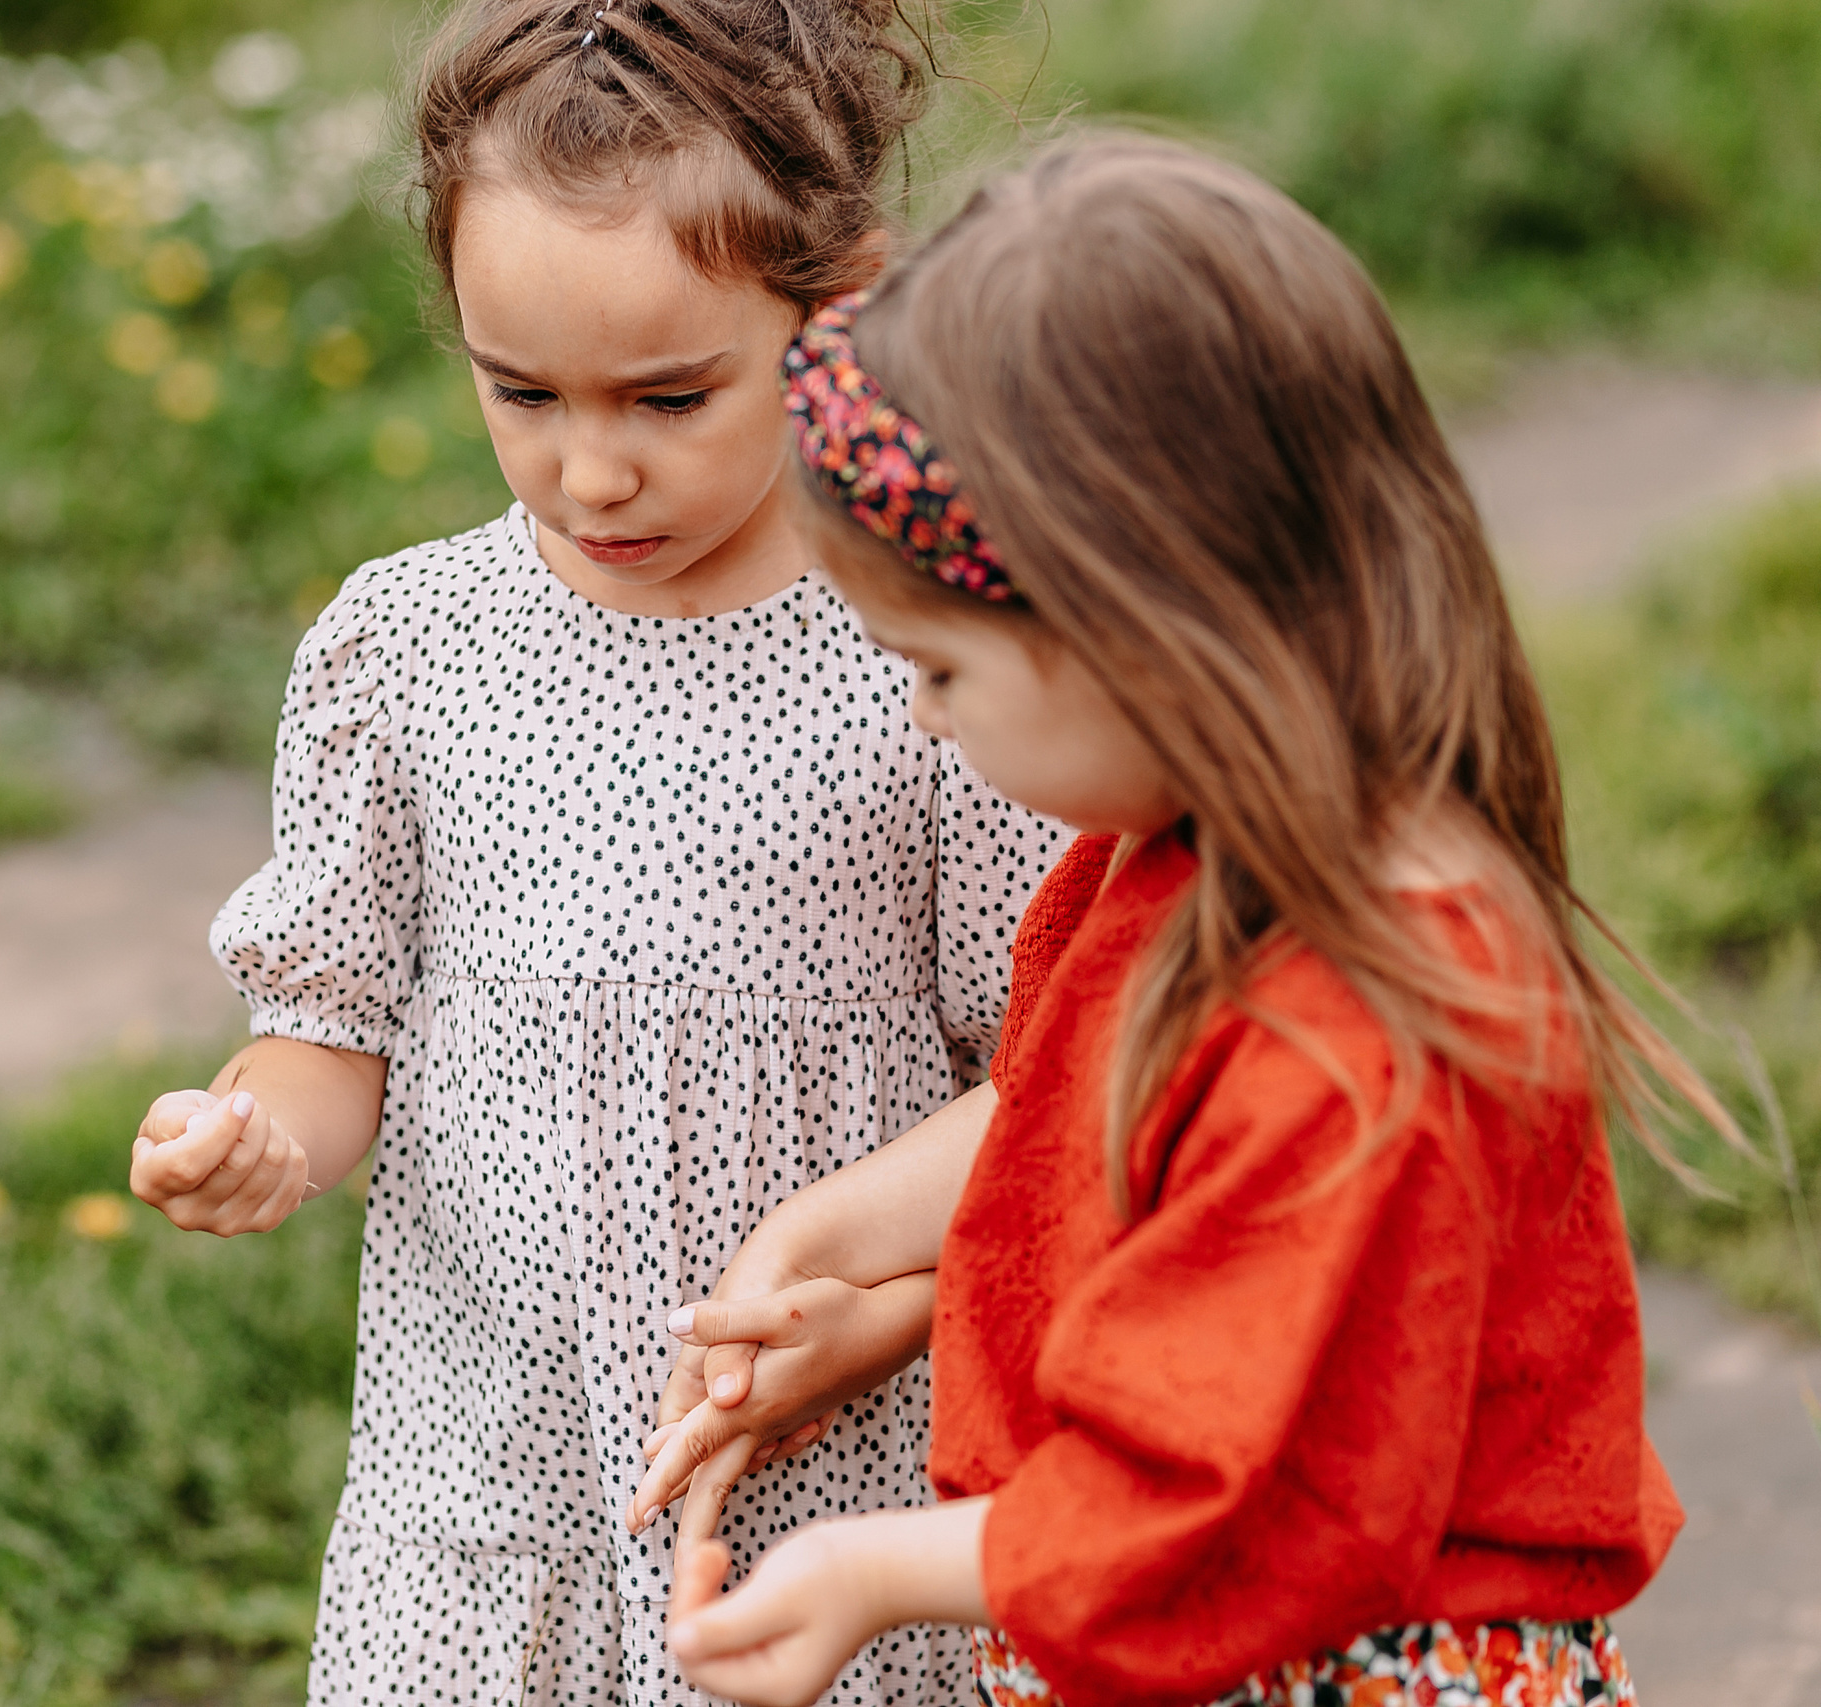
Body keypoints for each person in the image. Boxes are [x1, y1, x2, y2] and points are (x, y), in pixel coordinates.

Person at [642, 133, 1737, 1707]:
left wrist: (870, 1569)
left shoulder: (1358, 1025)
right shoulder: (1191, 844)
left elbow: (1232, 1496)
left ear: (1147, 626)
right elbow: (1072, 1106)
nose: (927, 722)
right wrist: (825, 1236)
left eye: (944, 669)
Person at [125, 1, 1067, 1701]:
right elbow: (336, 1027)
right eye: (523, 393)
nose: (593, 468)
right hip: (488, 1484)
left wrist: (880, 1317)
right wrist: (257, 1128)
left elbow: (1057, 1076)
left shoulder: (928, 650)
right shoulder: (401, 651)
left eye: (671, 394)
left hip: (819, 1472)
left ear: (832, 303)